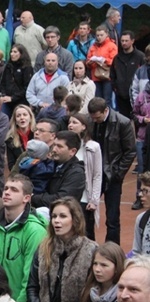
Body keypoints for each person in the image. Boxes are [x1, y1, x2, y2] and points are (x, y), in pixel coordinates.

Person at [0, 174, 48, 302]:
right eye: (6, 188)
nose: (7, 192)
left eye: (14, 190)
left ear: (26, 198)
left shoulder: (35, 231)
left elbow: (30, 277)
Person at [88, 97, 136, 244]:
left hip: (111, 174)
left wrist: (118, 174)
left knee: (113, 217)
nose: (95, 120)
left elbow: (130, 151)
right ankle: (89, 245)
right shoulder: (90, 121)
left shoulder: (123, 122)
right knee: (88, 212)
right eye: (93, 118)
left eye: (98, 117)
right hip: (94, 172)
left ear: (106, 111)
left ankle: (112, 248)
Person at [67, 113, 103, 240]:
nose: (70, 125)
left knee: (86, 234)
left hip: (84, 199)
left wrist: (94, 200)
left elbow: (97, 175)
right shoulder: (64, 145)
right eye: (69, 122)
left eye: (74, 122)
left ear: (84, 126)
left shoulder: (93, 146)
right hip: (68, 198)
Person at [112, 31, 145, 118]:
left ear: (132, 41)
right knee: (123, 120)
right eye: (122, 41)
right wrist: (116, 88)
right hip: (121, 95)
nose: (124, 43)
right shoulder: (117, 58)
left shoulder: (140, 57)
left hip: (137, 95)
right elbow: (112, 75)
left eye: (126, 41)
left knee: (137, 119)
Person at [86, 26, 118, 103]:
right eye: (97, 35)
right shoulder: (93, 46)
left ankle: (108, 114)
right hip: (95, 76)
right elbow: (88, 60)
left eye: (101, 35)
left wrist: (103, 60)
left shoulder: (112, 45)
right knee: (97, 100)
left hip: (107, 76)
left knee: (107, 100)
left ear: (106, 34)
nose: (99, 37)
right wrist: (90, 62)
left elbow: (114, 61)